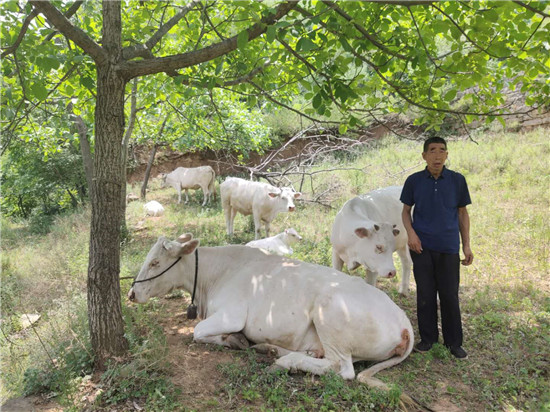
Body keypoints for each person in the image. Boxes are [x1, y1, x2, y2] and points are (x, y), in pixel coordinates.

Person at [400, 136, 474, 359]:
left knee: (450, 295)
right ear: (424, 155)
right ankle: (428, 339)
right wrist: (411, 235)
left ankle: (454, 343)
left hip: (449, 246)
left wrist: (467, 245)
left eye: (442, 150)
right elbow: (405, 212)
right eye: (432, 150)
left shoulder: (457, 180)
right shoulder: (413, 181)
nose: (437, 155)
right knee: (425, 293)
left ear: (447, 155)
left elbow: (462, 213)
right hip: (421, 247)